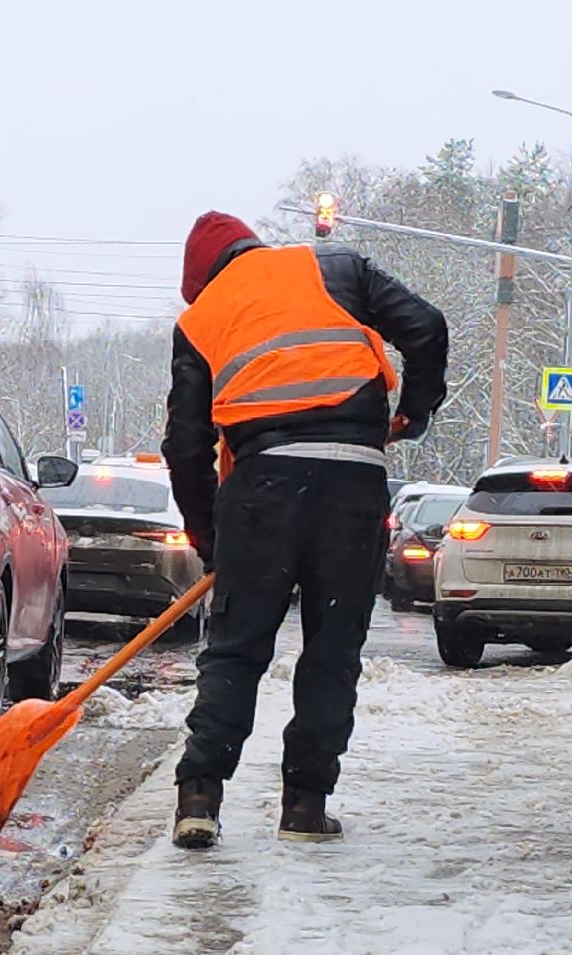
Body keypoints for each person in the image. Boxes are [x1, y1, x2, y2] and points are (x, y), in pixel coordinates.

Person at [164, 211, 449, 849]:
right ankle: (305, 807)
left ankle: (199, 797)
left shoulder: (201, 318)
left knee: (237, 648)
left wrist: (211, 539)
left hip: (261, 489)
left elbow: (186, 445)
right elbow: (426, 327)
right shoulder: (337, 267)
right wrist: (414, 411)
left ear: (202, 279)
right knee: (331, 650)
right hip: (352, 485)